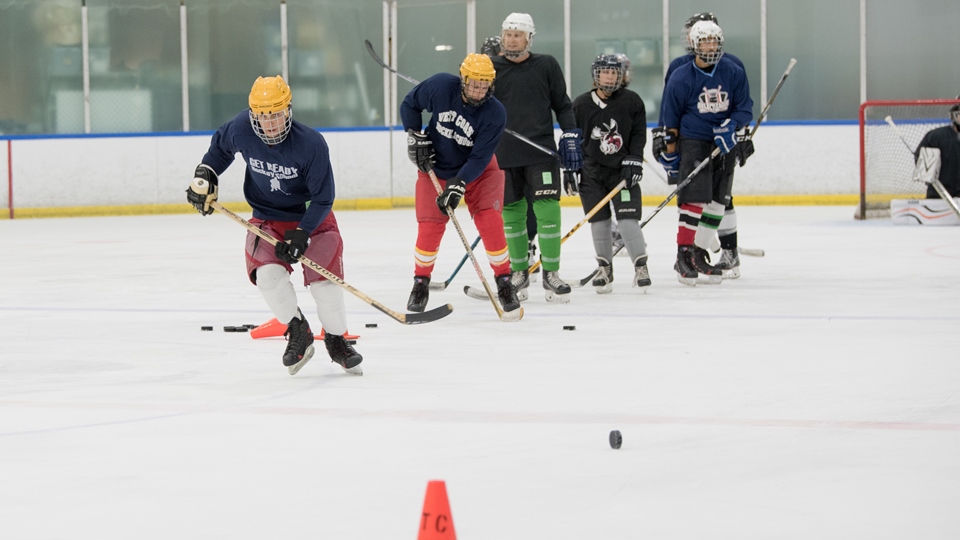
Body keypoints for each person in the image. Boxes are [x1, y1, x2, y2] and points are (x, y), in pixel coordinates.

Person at [186, 75, 362, 376]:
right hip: (267, 217)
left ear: (288, 110)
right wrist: (206, 174)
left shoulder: (311, 144)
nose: (270, 125)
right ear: (253, 115)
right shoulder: (241, 128)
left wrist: (303, 233)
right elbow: (220, 149)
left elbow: (323, 199)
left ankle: (336, 340)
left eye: (277, 115)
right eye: (263, 117)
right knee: (267, 277)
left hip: (311, 219)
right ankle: (297, 331)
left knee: (326, 287)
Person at [400, 53, 521, 317]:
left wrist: (460, 184)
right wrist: (414, 135)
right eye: (474, 83)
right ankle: (421, 283)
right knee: (430, 228)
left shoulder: (495, 113)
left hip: (479, 172)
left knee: (490, 222)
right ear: (462, 79)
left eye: (484, 84)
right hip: (437, 166)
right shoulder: (441, 86)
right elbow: (409, 105)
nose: (479, 90)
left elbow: (480, 157)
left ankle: (504, 282)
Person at [654, 12, 753, 279]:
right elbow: (670, 116)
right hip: (695, 142)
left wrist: (733, 127)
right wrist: (670, 151)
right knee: (693, 201)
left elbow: (745, 108)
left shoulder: (733, 70)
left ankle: (698, 254)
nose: (710, 47)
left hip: (724, 144)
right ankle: (683, 255)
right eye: (705, 42)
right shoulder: (680, 74)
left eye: (714, 42)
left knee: (718, 203)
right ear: (694, 44)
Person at [491, 12, 582, 303]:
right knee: (513, 214)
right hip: (504, 153)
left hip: (541, 151)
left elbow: (563, 105)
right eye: (507, 34)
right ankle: (519, 272)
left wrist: (570, 134)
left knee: (547, 210)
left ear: (529, 38)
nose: (511, 39)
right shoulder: (491, 68)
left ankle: (551, 273)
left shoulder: (547, 65)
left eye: (518, 34)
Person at [571, 54, 651, 293]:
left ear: (620, 75)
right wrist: (571, 167)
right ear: (596, 75)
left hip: (622, 172)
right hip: (591, 172)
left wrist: (635, 159)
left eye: (614, 72)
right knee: (599, 223)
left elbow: (638, 134)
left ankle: (641, 266)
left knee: (628, 221)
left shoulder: (632, 101)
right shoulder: (581, 104)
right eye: (605, 72)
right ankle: (604, 269)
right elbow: (573, 138)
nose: (609, 76)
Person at [913, 101, 960, 199]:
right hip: (938, 197)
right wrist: (926, 170)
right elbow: (920, 159)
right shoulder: (936, 137)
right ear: (954, 116)